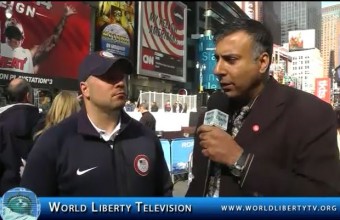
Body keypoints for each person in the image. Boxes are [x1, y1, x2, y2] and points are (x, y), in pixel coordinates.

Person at [186, 18, 340, 197]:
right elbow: (200, 181)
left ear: (262, 62)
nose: (218, 69)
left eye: (231, 59)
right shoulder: (215, 105)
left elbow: (324, 197)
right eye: (217, 59)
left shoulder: (310, 114)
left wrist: (240, 161)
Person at [21, 51, 173, 196]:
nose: (120, 83)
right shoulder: (54, 142)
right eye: (109, 77)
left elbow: (163, 196)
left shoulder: (146, 138)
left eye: (121, 77)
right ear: (85, 89)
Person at [0, 4, 76, 74]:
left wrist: (64, 17)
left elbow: (53, 39)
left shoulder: (28, 56)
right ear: (5, 37)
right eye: (10, 36)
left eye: (16, 36)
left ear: (22, 39)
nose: (13, 40)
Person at [0, 78, 40, 194]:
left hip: (6, 193)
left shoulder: (1, 122)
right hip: (38, 192)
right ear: (28, 96)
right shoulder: (45, 121)